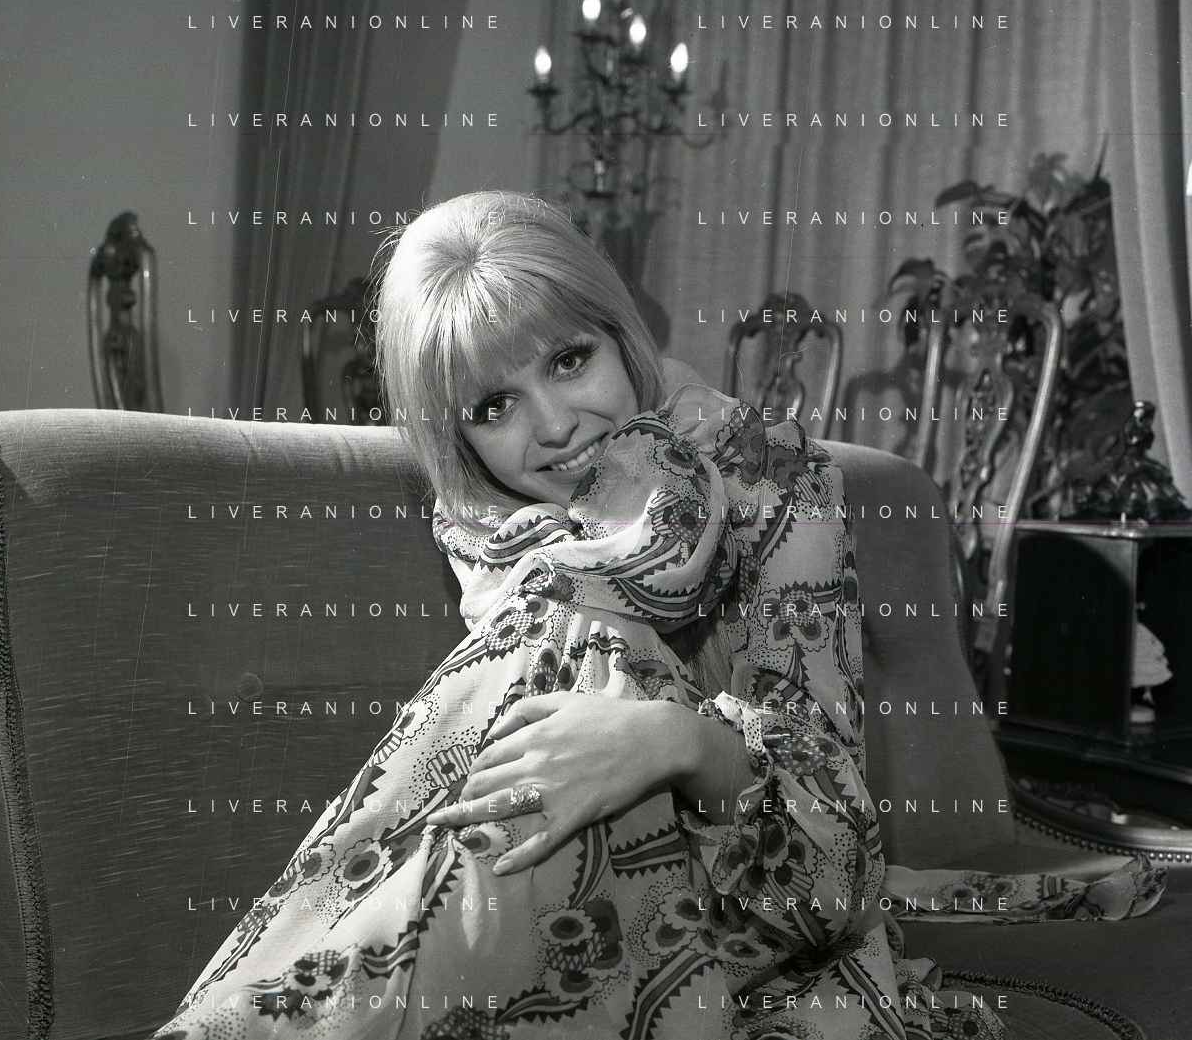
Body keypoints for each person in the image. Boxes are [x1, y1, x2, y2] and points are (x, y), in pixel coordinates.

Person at [151, 191, 1163, 1040]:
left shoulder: (769, 481)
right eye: (493, 407)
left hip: (749, 913)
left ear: (618, 332)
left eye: (567, 359)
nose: (554, 426)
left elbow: (833, 873)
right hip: (533, 919)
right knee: (566, 631)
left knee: (578, 636)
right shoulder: (485, 528)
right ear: (458, 441)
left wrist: (670, 740)